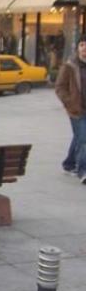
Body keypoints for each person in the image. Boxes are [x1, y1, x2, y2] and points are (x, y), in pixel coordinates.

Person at [55, 34, 86, 185]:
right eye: (82, 45)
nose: (84, 49)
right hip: (76, 110)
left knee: (79, 138)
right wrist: (69, 102)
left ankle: (69, 163)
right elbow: (60, 87)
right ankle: (83, 171)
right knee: (84, 140)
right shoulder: (69, 66)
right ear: (78, 48)